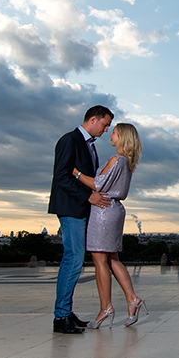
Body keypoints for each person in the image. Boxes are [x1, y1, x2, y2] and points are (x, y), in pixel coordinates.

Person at [72, 122, 147, 328]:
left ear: (122, 137)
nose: (109, 135)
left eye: (113, 132)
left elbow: (97, 185)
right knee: (113, 259)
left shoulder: (116, 159)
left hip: (103, 211)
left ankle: (106, 308)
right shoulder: (127, 162)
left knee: (100, 261)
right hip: (115, 209)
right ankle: (132, 299)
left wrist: (75, 172)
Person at [48, 105, 114, 334]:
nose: (106, 130)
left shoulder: (86, 145)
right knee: (73, 260)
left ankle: (65, 312)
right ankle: (61, 316)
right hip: (71, 208)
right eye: (105, 124)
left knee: (75, 259)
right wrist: (89, 196)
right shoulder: (70, 140)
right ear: (93, 119)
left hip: (78, 208)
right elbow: (61, 176)